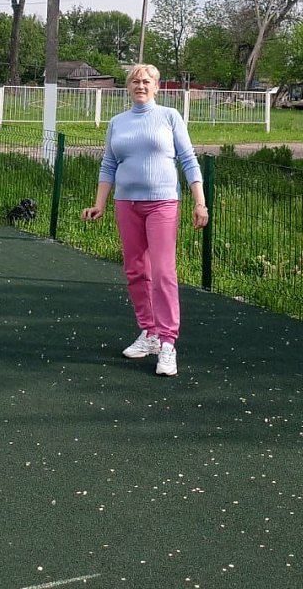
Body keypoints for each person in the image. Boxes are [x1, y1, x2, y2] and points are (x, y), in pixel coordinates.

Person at [81, 63, 208, 377]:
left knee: (163, 272)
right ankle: (149, 332)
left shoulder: (169, 116)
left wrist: (200, 202)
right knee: (136, 270)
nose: (140, 86)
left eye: (146, 81)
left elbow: (188, 159)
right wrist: (99, 203)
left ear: (157, 86)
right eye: (135, 81)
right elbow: (108, 164)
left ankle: (167, 343)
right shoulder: (117, 122)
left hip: (162, 203)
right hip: (127, 203)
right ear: (128, 87)